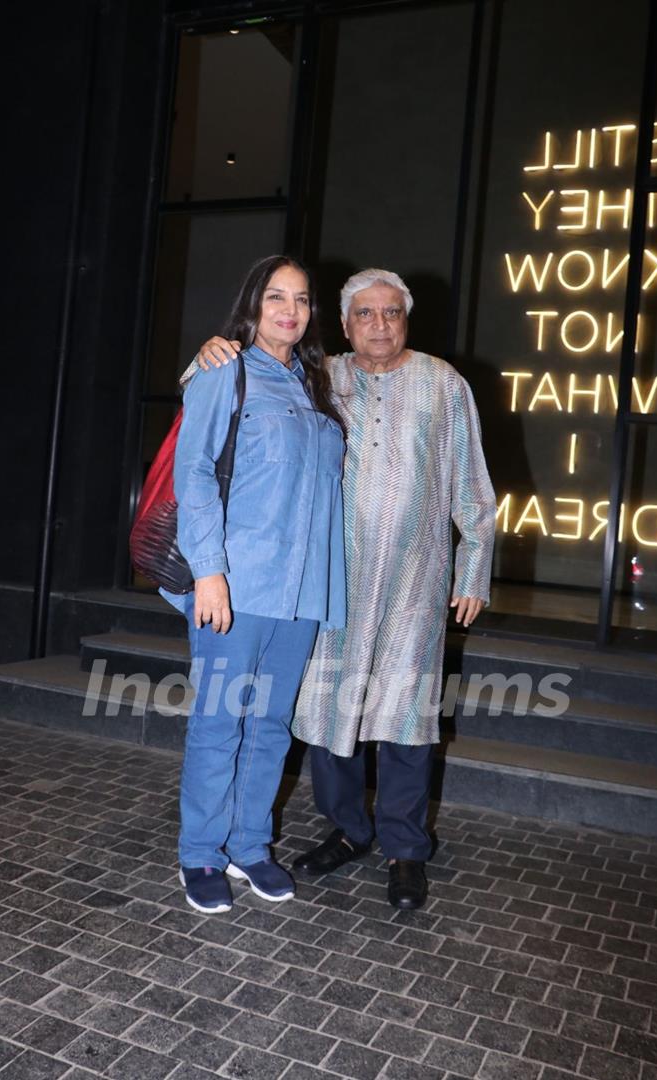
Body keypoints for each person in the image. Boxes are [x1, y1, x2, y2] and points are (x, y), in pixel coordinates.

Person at [193, 267, 495, 910]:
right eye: (364, 314)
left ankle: (406, 848)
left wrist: (473, 566)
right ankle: (350, 829)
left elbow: (473, 482)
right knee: (328, 710)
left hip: (417, 579)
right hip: (332, 581)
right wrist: (204, 354)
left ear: (406, 319)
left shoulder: (444, 383)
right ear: (345, 323)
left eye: (390, 312)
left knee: (407, 715)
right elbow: (227, 396)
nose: (378, 324)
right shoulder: (320, 375)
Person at [163, 255, 346, 915]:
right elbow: (195, 475)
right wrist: (208, 573)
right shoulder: (223, 371)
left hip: (299, 594)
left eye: (300, 299)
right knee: (219, 723)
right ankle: (201, 854)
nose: (289, 310)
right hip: (234, 585)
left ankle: (249, 847)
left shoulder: (318, 385)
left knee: (269, 726)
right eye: (276, 296)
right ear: (253, 303)